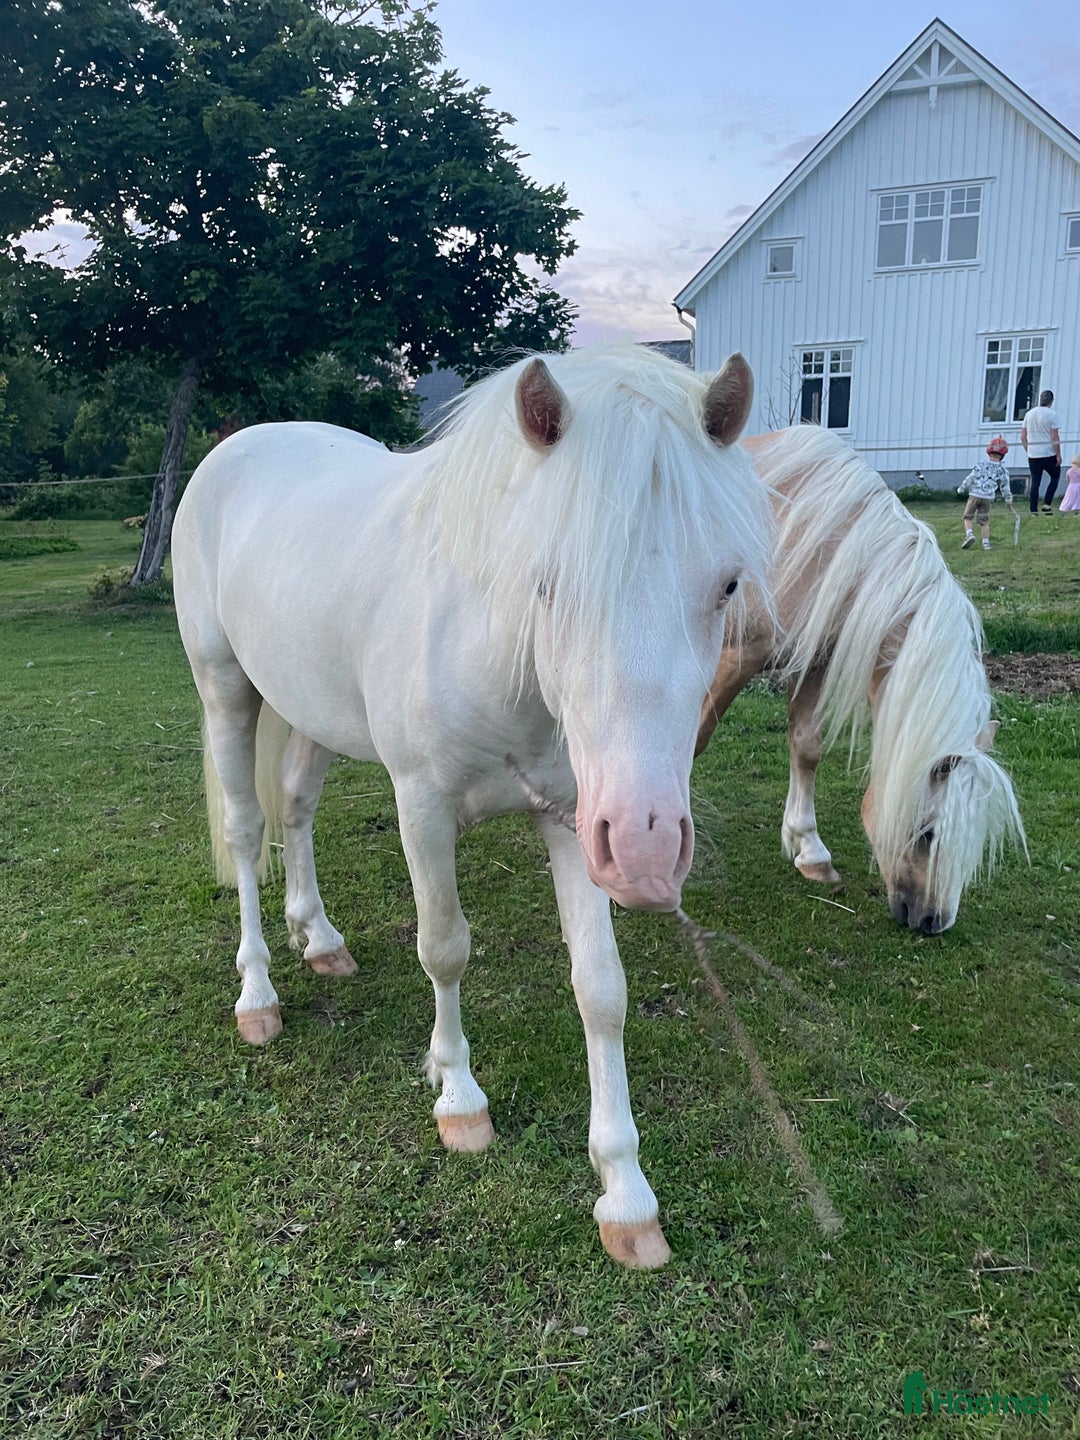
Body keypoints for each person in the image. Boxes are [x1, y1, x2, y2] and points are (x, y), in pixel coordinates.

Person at [958, 436, 1015, 550]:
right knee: (984, 521)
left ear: (988, 452)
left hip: (975, 495)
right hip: (988, 498)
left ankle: (969, 534)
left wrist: (962, 488)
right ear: (1003, 455)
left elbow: (971, 477)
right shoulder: (1002, 469)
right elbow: (1005, 485)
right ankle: (986, 543)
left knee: (968, 517)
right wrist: (1008, 498)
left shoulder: (981, 464)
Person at [1020, 390, 1063, 513]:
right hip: (1048, 453)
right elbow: (1054, 436)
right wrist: (1058, 455)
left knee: (1035, 481)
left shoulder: (1029, 414)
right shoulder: (1052, 415)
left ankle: (1033, 510)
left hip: (1033, 454)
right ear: (1051, 401)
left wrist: (1028, 449)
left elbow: (1023, 436)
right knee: (1055, 477)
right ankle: (1047, 503)